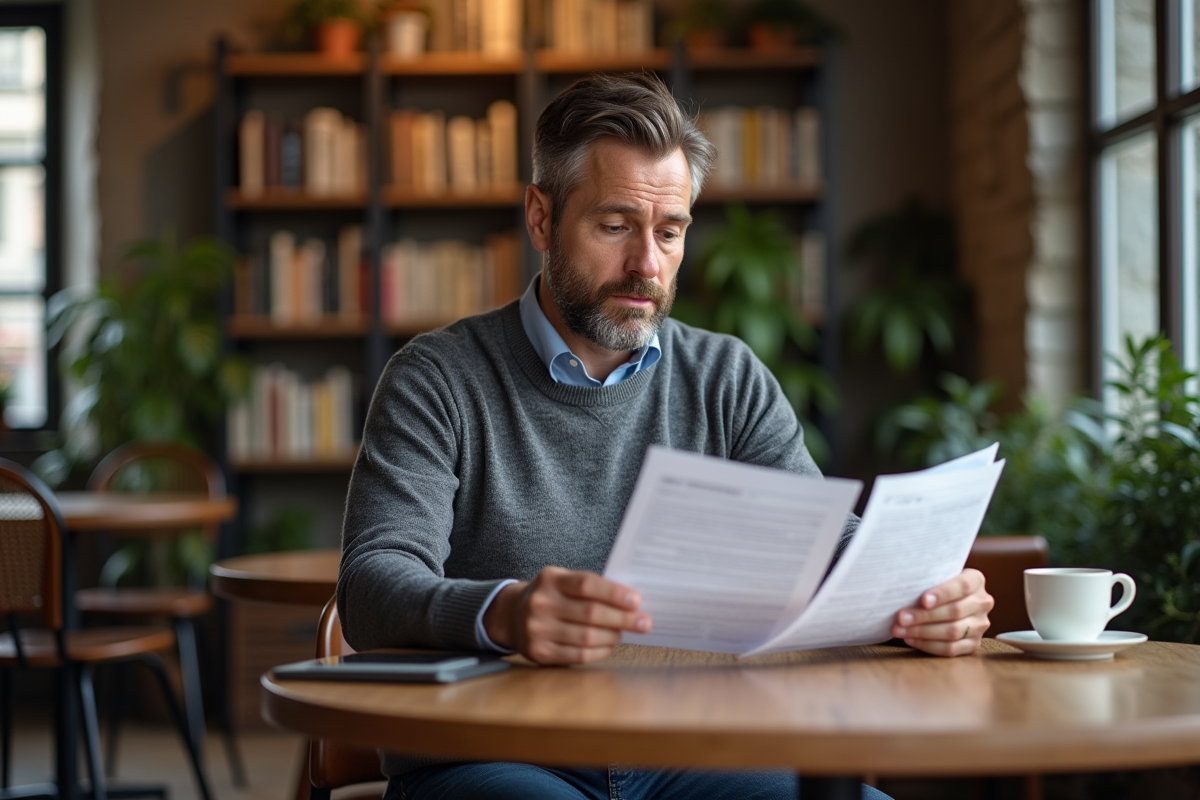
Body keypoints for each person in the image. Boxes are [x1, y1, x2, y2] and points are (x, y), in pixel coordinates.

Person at [339, 72, 994, 800]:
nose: (647, 265)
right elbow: (370, 586)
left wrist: (922, 601)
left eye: (670, 232)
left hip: (701, 751)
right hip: (495, 752)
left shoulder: (727, 378)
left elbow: (826, 549)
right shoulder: (436, 379)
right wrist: (505, 613)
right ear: (541, 219)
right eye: (615, 226)